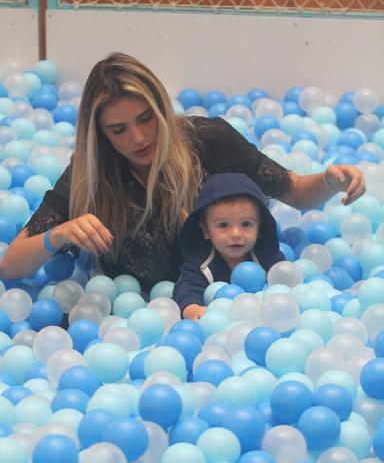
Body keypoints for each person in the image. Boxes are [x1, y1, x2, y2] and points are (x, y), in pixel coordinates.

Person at [0, 52, 365, 292]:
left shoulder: (208, 140)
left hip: (222, 304)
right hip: (125, 319)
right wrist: (58, 234)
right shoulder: (90, 173)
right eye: (118, 130)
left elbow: (296, 191)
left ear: (161, 109)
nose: (139, 137)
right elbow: (12, 265)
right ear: (100, 134)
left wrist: (330, 180)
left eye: (146, 119)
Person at [173, 172, 283, 320]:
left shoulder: (269, 257)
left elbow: (283, 284)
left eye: (246, 224)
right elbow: (187, 288)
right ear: (206, 230)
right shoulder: (200, 263)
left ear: (259, 229)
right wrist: (192, 308)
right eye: (223, 225)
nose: (236, 234)